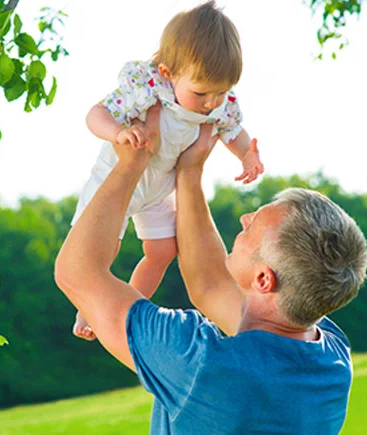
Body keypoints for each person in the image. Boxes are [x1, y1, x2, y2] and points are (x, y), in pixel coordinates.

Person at [54, 105, 367, 434]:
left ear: (264, 279)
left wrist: (131, 162)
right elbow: (210, 284)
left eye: (254, 228)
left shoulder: (201, 362)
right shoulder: (330, 359)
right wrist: (189, 173)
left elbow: (77, 273)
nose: (245, 219)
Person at [70, 1, 264, 340]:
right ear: (167, 73)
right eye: (201, 92)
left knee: (162, 251)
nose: (211, 103)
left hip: (159, 188)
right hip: (114, 182)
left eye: (221, 92)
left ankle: (127, 311)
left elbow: (233, 132)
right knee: (101, 252)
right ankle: (87, 310)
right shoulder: (145, 90)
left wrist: (247, 156)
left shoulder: (220, 103)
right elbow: (95, 114)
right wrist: (118, 133)